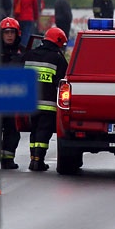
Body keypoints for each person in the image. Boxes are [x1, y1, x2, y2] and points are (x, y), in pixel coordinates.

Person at [22, 27, 68, 171]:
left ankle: (33, 160)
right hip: (48, 105)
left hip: (30, 103)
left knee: (34, 131)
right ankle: (38, 161)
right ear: (58, 42)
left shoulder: (29, 55)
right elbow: (62, 82)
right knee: (44, 132)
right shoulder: (58, 59)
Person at [0, 17, 25, 169]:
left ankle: (8, 159)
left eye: (12, 32)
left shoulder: (23, 52)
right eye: (6, 32)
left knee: (12, 131)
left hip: (14, 100)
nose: (9, 35)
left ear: (17, 34)